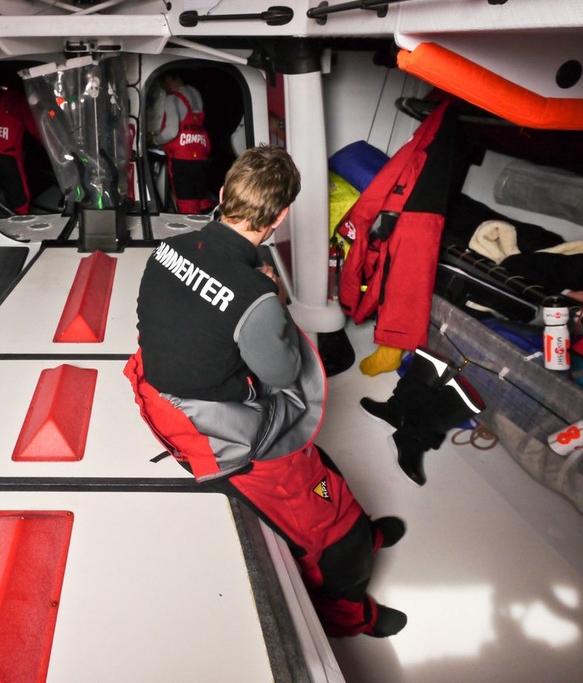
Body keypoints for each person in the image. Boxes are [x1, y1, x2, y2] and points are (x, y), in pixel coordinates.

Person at [124, 145, 408, 638]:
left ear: (222, 195)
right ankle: (351, 613)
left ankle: (366, 531)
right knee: (332, 533)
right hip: (218, 431)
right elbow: (281, 375)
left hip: (163, 395)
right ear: (280, 216)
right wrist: (273, 297)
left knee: (322, 463)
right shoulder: (257, 295)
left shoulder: (167, 249)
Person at [147, 71, 213, 214]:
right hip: (201, 154)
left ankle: (193, 233)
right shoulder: (196, 95)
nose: (164, 88)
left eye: (164, 84)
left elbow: (171, 131)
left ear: (171, 79)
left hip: (182, 158)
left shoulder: (173, 99)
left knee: (187, 200)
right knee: (201, 197)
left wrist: (154, 140)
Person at [0, 83, 43, 215]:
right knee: (19, 199)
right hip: (7, 157)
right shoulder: (16, 100)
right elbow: (37, 129)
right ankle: (21, 224)